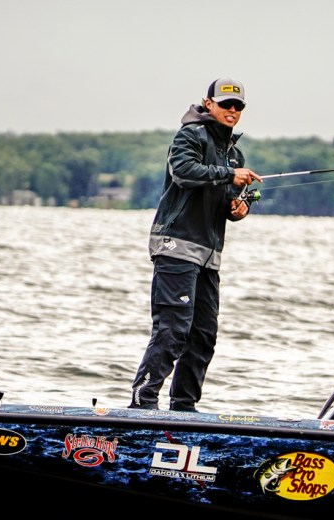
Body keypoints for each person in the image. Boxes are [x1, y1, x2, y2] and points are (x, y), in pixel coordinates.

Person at [129, 77, 262, 412]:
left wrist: (238, 208)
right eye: (226, 104)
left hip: (208, 257)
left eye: (238, 106)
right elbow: (184, 172)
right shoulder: (190, 135)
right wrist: (229, 175)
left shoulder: (234, 154)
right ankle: (142, 402)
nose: (232, 110)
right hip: (176, 247)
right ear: (208, 103)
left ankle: (183, 408)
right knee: (173, 329)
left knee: (203, 334)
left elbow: (227, 199)